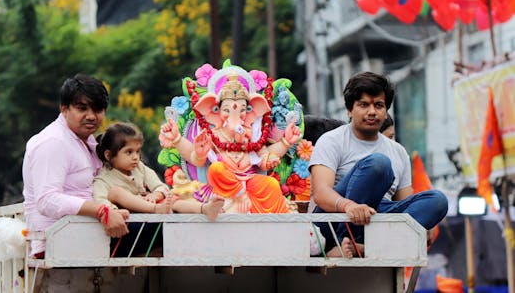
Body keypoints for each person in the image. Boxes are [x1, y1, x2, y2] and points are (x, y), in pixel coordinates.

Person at [309, 71, 448, 258]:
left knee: (437, 200)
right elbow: (321, 193)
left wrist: (422, 225)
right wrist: (349, 206)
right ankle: (345, 242)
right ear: (350, 110)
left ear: (386, 111)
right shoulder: (332, 140)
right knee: (379, 165)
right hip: (335, 219)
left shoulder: (398, 152)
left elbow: (403, 207)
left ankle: (366, 247)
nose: (372, 112)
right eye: (364, 105)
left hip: (377, 220)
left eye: (379, 105)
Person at [159, 70, 301, 213]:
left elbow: (263, 157)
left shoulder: (252, 134)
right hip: (225, 184)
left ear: (250, 111)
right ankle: (240, 196)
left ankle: (271, 214)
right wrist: (181, 142)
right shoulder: (214, 134)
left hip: (249, 178)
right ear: (216, 111)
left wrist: (284, 143)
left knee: (271, 184)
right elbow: (196, 159)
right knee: (216, 170)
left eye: (242, 110)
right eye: (227, 110)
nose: (236, 114)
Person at [22, 74, 129, 258]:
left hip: (87, 232)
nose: (91, 116)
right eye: (82, 109)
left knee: (167, 223)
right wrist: (101, 211)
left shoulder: (88, 142)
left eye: (98, 109)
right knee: (165, 233)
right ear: (64, 109)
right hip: (59, 240)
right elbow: (46, 199)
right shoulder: (53, 142)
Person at [94, 122, 224, 220]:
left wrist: (155, 195)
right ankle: (157, 209)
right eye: (129, 152)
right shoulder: (103, 179)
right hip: (129, 217)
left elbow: (160, 186)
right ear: (108, 155)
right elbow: (100, 201)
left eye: (137, 151)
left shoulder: (139, 167)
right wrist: (113, 211)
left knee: (173, 199)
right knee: (116, 192)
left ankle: (205, 209)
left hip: (151, 210)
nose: (135, 157)